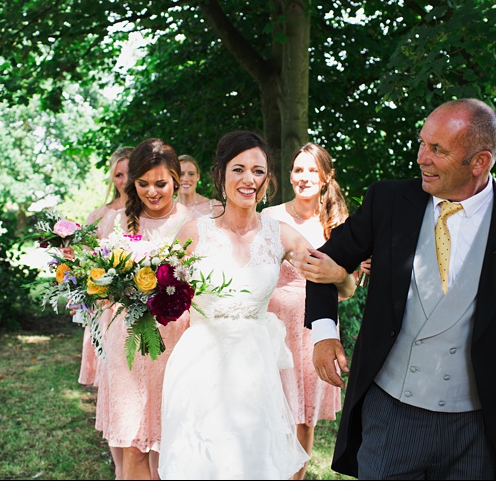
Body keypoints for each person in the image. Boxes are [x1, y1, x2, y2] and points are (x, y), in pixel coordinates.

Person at [302, 99, 496, 480]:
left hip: (479, 430)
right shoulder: (388, 201)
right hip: (390, 416)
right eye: (422, 143)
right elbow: (323, 262)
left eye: (437, 149)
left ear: (479, 162)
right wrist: (323, 334)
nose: (422, 158)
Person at [158, 130, 339, 479]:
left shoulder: (279, 235)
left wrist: (344, 276)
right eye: (238, 169)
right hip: (198, 365)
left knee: (253, 467)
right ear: (221, 174)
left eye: (258, 171)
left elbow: (333, 280)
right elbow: (159, 291)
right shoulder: (193, 232)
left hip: (255, 369)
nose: (248, 179)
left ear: (268, 179)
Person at [92, 139, 193, 480]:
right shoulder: (117, 222)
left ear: (176, 181)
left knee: (172, 446)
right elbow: (100, 286)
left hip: (178, 344)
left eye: (161, 183)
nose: (152, 191)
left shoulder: (193, 224)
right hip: (127, 344)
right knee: (132, 444)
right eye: (143, 183)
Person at [260, 143, 351, 477]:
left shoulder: (338, 225)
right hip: (273, 326)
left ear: (326, 177)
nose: (304, 177)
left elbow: (348, 289)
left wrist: (340, 274)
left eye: (312, 170)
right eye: (298, 169)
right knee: (270, 408)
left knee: (303, 417)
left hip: (315, 329)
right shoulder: (270, 218)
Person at [78, 146, 133, 389]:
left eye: (130, 173)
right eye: (118, 175)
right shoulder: (98, 215)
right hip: (105, 303)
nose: (124, 181)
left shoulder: (148, 212)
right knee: (109, 370)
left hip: (135, 301)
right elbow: (85, 260)